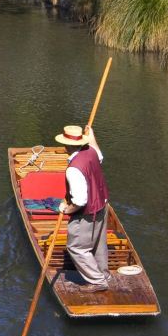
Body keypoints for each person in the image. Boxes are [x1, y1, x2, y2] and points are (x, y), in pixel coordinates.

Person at [56, 124, 111, 292]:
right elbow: (99, 155)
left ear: (66, 146)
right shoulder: (91, 152)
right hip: (102, 205)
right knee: (98, 244)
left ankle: (97, 281)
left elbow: (80, 201)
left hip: (86, 214)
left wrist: (66, 209)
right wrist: (92, 135)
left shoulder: (73, 169)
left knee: (77, 248)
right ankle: (104, 274)